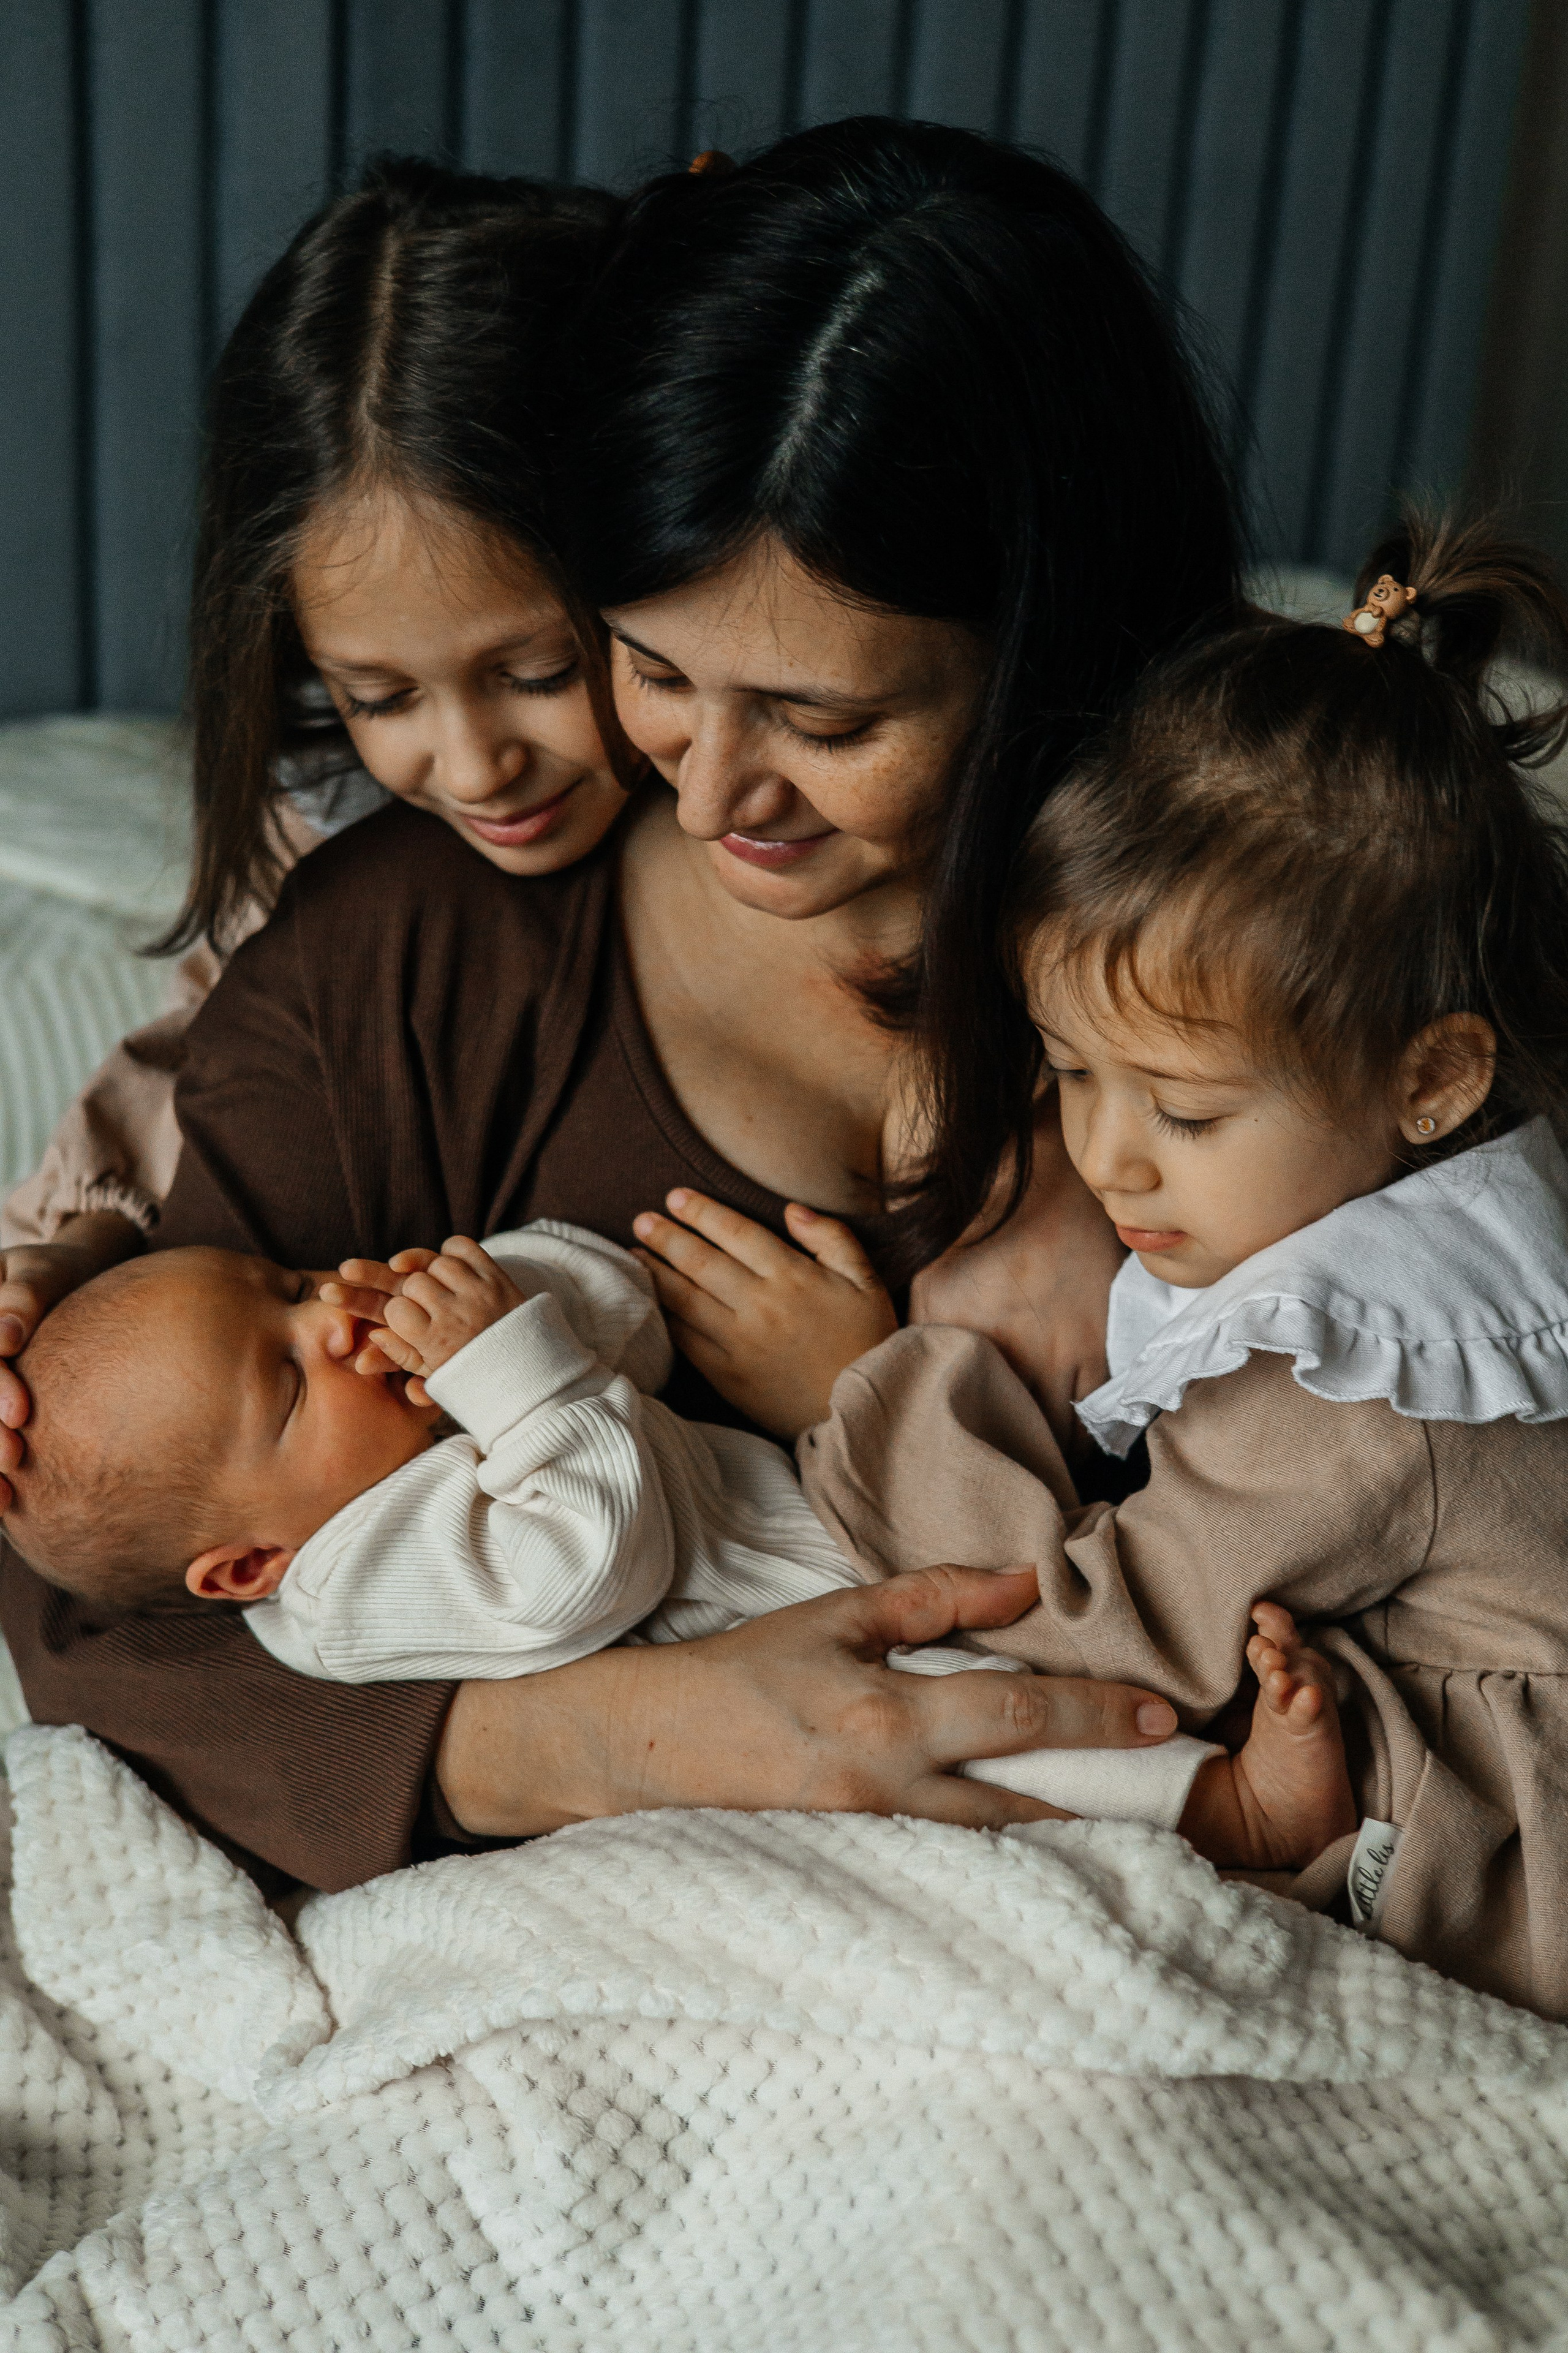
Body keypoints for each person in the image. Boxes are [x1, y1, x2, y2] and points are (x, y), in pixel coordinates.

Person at [0, 118, 1242, 1893]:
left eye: (823, 720)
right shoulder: (398, 963)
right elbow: (101, 1588)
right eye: (648, 669)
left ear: (1046, 655)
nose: (711, 790)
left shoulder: (1246, 991)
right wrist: (617, 1734)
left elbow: (1374, 1556)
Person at [649, 515, 1568, 2016]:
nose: (1107, 1157)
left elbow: (1097, 1633)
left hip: (1505, 1868)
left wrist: (860, 1386)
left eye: (1185, 1112)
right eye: (1072, 1071)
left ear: (1430, 1079)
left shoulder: (1353, 1371)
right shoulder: (1471, 1208)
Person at [5, 1223, 1341, 1865]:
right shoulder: (350, 1587)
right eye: (291, 1378)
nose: (334, 1319)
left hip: (843, 1528)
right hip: (826, 1666)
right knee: (999, 1735)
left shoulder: (418, 1413)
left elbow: (625, 1320)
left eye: (293, 1286)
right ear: (248, 1563)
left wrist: (499, 1298)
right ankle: (1241, 1815)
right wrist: (502, 1366)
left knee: (1077, 1575)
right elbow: (594, 1560)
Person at [0, 151, 632, 1329]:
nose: (475, 766)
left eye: (540, 673)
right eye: (380, 697)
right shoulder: (333, 824)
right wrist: (82, 1240)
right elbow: (205, 1051)